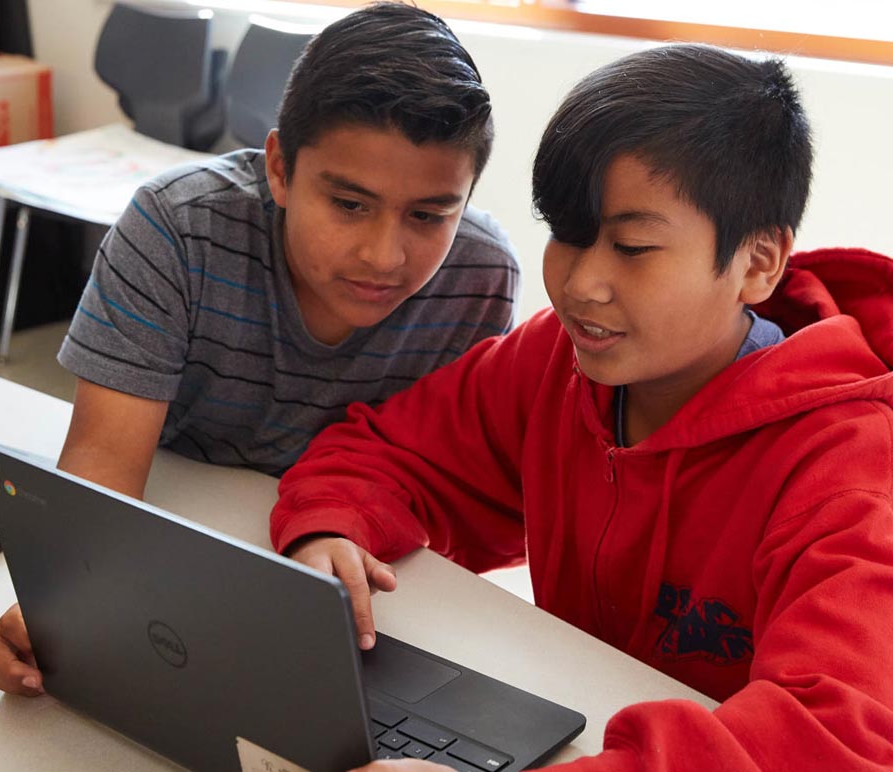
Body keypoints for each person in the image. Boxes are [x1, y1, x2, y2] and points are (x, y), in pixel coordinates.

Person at [271, 44, 893, 770]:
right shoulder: (558, 362)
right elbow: (387, 450)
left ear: (758, 263)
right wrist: (329, 532)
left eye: (631, 247)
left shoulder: (850, 469)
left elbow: (835, 742)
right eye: (568, 235)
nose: (581, 284)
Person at [0, 2, 518, 696]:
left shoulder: (481, 275)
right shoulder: (175, 227)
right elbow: (104, 461)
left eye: (429, 215)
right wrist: (65, 609)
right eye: (349, 204)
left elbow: (443, 479)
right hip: (176, 539)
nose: (385, 255)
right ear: (280, 170)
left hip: (354, 579)